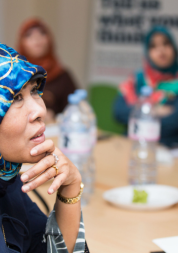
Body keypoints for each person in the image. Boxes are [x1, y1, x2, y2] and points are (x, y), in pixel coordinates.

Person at [0, 43, 86, 253]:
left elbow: (47, 249)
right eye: (16, 97)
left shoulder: (8, 185)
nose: (40, 109)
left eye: (35, 91)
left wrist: (71, 187)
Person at [113, 26, 178, 147]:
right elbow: (118, 112)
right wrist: (156, 111)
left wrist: (139, 113)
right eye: (153, 46)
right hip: (133, 145)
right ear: (147, 52)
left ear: (174, 48)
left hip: (169, 148)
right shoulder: (137, 79)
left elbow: (174, 122)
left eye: (166, 44)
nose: (161, 50)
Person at [17, 18, 77, 121]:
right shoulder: (14, 75)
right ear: (21, 42)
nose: (37, 39)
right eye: (29, 35)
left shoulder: (62, 75)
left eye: (42, 33)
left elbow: (76, 110)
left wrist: (55, 116)